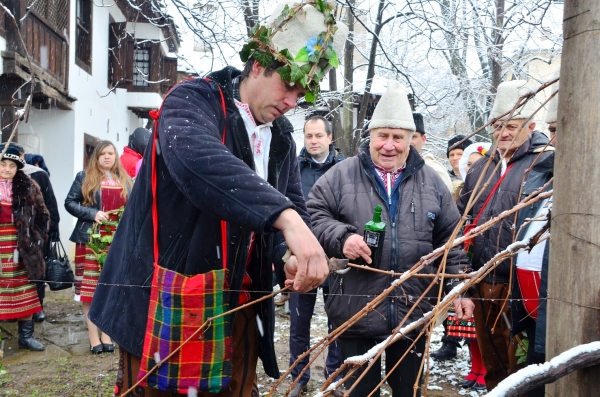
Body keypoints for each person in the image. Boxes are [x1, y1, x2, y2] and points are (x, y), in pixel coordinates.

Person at [88, 1, 348, 395]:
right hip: (171, 296)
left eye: (303, 93)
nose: (294, 102)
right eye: (289, 85)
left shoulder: (280, 137)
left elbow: (289, 201)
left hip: (240, 304)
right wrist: (288, 220)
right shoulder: (192, 100)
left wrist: (286, 253)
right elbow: (199, 165)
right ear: (259, 65)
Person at [308, 80, 474, 397]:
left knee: (407, 392)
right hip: (356, 310)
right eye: (382, 135)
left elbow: (450, 242)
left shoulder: (432, 182)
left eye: (398, 137)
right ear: (370, 135)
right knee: (360, 393)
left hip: (412, 313)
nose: (389, 145)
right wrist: (342, 237)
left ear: (411, 140)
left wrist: (459, 288)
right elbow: (313, 216)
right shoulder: (341, 175)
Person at [457, 80, 554, 391]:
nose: (504, 133)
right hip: (482, 279)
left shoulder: (544, 164)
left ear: (532, 125)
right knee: (493, 361)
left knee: (522, 364)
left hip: (520, 285)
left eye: (513, 126)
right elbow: (461, 223)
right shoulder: (480, 168)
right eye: (499, 125)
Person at [288, 116, 344, 396]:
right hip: (302, 258)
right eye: (309, 136)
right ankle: (299, 376)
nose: (313, 141)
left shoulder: (345, 170)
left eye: (319, 136)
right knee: (299, 321)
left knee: (337, 321)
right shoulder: (294, 169)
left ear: (330, 138)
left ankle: (334, 376)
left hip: (335, 258)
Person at [64, 141, 133, 354]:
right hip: (90, 240)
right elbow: (70, 202)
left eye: (110, 153)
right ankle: (94, 338)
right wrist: (92, 214)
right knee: (90, 291)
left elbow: (133, 208)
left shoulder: (126, 180)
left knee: (112, 288)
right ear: (96, 157)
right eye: (102, 153)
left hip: (116, 241)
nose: (106, 157)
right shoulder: (84, 177)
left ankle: (107, 334)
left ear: (115, 156)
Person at [0, 143, 49, 351]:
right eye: (3, 164)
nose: (7, 169)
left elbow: (43, 215)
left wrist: (35, 238)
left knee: (25, 290)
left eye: (12, 165)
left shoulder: (29, 186)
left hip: (22, 245)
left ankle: (25, 336)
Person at [12, 144, 60, 323]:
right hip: (10, 235)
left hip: (34, 233)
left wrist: (50, 230)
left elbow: (49, 204)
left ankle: (37, 306)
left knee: (35, 270)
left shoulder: (38, 175)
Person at [411, 113, 454, 193]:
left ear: (423, 139)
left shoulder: (433, 169)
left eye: (413, 137)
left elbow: (446, 199)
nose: (409, 142)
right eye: (404, 137)